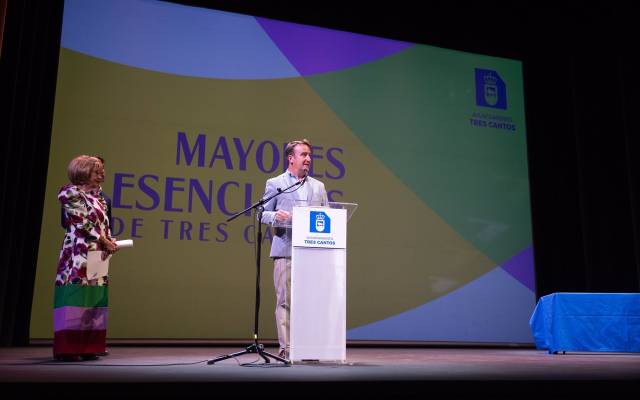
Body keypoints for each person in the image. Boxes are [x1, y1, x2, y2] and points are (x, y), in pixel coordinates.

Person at [261, 139, 328, 360]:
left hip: (311, 253)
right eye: (303, 154)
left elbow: (328, 217)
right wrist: (275, 216)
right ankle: (286, 347)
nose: (308, 159)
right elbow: (261, 212)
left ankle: (309, 347)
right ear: (291, 158)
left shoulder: (318, 187)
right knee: (285, 300)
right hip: (285, 250)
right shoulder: (276, 182)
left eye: (310, 155)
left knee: (310, 301)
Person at [53, 155, 118, 361]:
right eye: (96, 170)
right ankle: (69, 349)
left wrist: (109, 240)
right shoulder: (70, 193)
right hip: (78, 253)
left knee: (95, 298)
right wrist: (103, 240)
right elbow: (82, 223)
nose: (102, 174)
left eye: (102, 170)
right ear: (82, 172)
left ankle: (90, 346)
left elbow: (103, 225)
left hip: (97, 253)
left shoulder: (100, 197)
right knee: (75, 296)